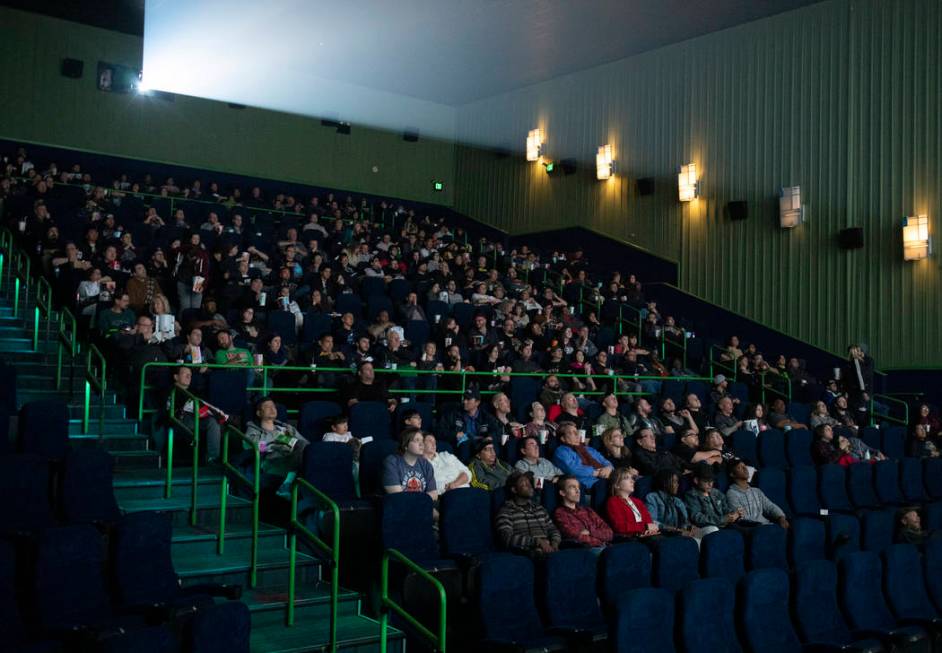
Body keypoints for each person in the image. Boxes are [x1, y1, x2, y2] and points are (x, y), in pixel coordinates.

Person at [245, 397, 309, 497]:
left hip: (292, 457)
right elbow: (251, 446)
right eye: (268, 407)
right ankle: (286, 485)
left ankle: (286, 483)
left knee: (304, 447)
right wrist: (277, 442)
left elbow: (306, 445)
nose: (273, 409)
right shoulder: (253, 429)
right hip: (271, 461)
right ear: (259, 413)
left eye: (274, 406)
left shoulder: (286, 428)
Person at [164, 366, 223, 463]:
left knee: (213, 422)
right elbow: (168, 411)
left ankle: (212, 458)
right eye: (185, 374)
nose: (188, 376)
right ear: (176, 377)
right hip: (179, 420)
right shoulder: (169, 390)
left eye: (190, 375)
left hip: (196, 419)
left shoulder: (194, 392)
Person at [495, 471, 561, 556]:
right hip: (526, 553)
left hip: (550, 550)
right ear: (514, 489)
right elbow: (506, 537)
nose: (530, 486)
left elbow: (553, 529)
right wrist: (537, 542)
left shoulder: (539, 508)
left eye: (529, 482)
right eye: (524, 483)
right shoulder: (506, 511)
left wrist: (554, 543)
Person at [552, 475, 614, 549]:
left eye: (578, 487)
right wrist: (599, 536)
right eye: (572, 487)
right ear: (562, 493)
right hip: (588, 550)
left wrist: (590, 532)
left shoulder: (588, 510)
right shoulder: (560, 513)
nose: (578, 491)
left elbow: (609, 533)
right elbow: (574, 536)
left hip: (606, 547)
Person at [725, 459, 789, 528]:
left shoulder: (756, 491)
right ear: (732, 474)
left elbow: (770, 506)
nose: (745, 469)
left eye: (744, 466)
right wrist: (759, 525)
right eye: (739, 467)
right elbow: (741, 517)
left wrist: (781, 517)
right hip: (752, 528)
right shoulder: (731, 493)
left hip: (765, 525)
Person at [644, 469, 704, 541]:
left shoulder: (677, 501)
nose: (677, 485)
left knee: (703, 535)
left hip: (678, 532)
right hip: (663, 535)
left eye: (677, 482)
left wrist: (690, 528)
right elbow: (652, 522)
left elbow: (685, 522)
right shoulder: (652, 497)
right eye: (675, 482)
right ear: (665, 483)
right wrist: (676, 530)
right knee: (693, 540)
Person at [552, 421, 613, 488]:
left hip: (605, 477)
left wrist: (608, 468)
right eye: (571, 432)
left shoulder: (589, 449)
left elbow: (604, 461)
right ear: (563, 438)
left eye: (576, 431)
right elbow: (573, 470)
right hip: (586, 483)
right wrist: (595, 472)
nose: (577, 434)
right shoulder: (561, 451)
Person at [381, 428, 437, 499]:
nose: (422, 444)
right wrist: (423, 501)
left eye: (422, 440)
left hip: (422, 506)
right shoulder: (392, 462)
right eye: (417, 440)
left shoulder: (426, 464)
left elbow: (434, 494)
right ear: (405, 445)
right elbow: (398, 497)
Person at [605, 467, 659, 538]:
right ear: (616, 485)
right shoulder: (613, 502)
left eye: (632, 478)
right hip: (629, 538)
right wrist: (645, 527)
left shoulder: (638, 501)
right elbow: (619, 526)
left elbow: (648, 521)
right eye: (627, 478)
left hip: (646, 535)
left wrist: (651, 529)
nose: (632, 481)